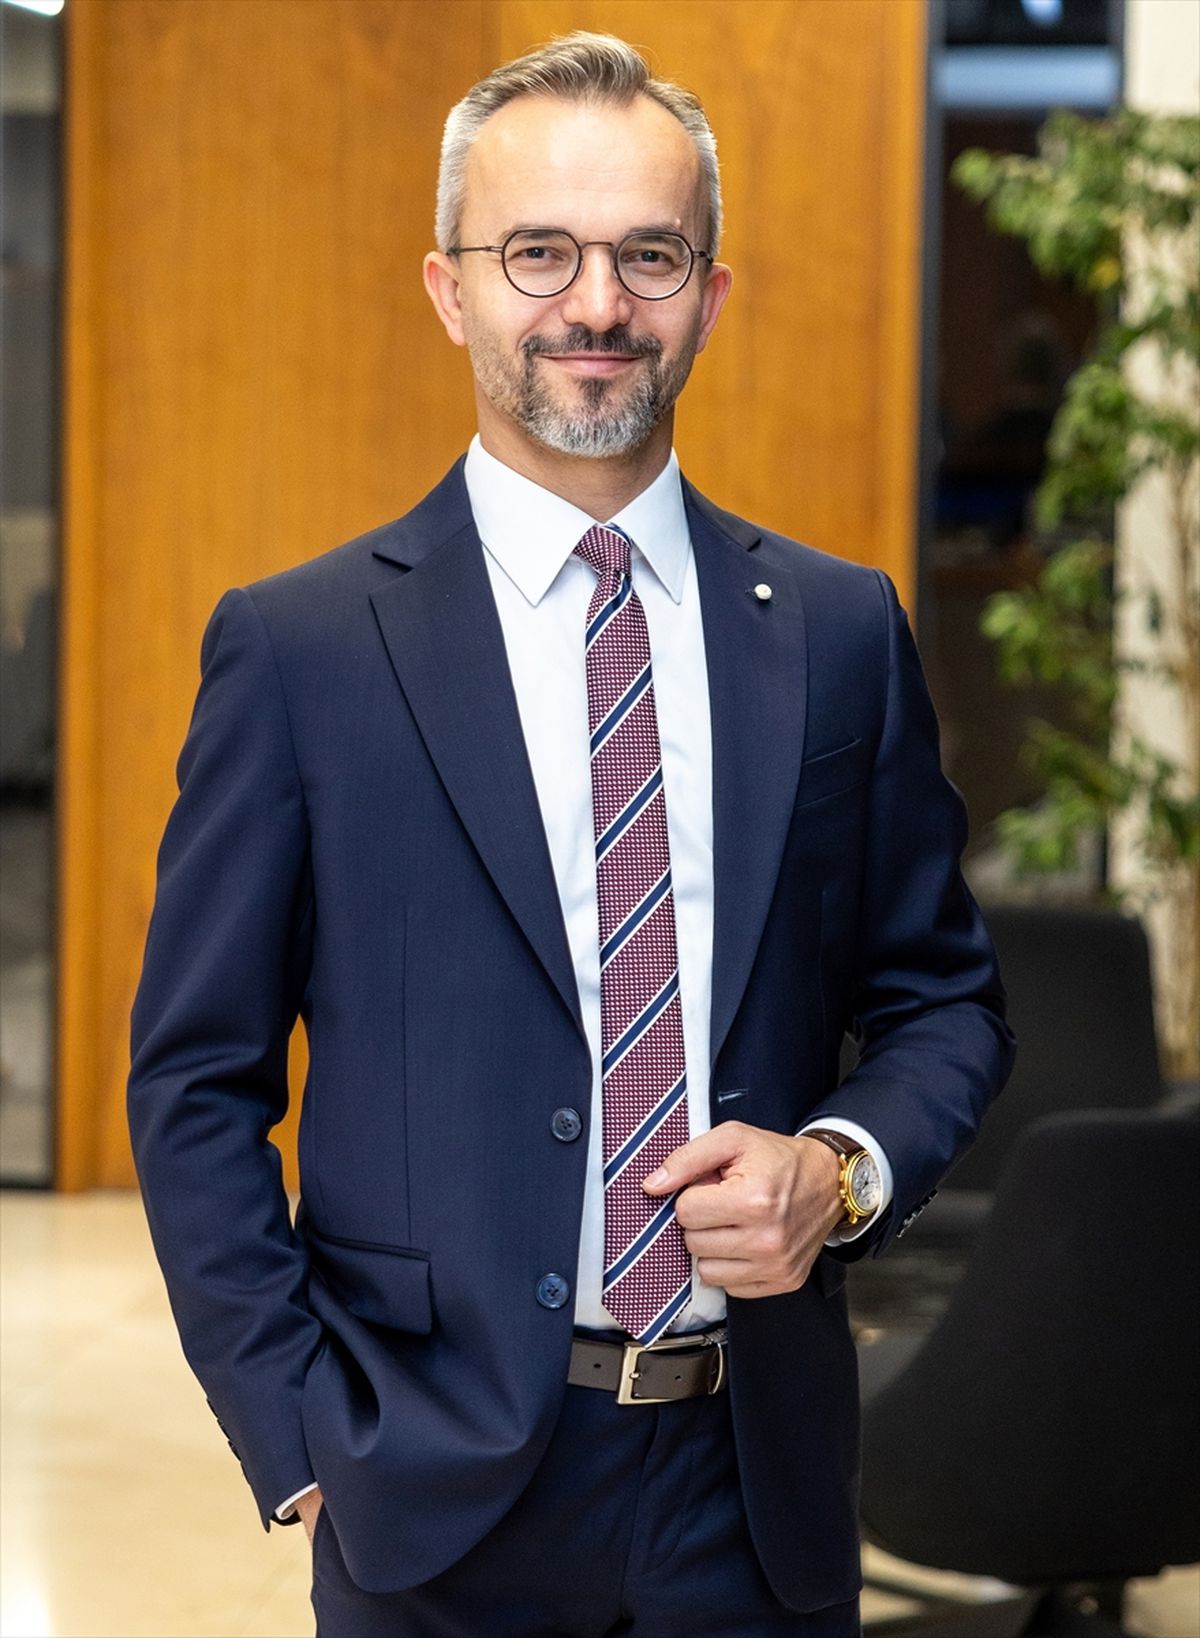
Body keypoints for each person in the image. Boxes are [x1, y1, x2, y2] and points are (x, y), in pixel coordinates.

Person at [128, 32, 1014, 1637]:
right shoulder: (303, 651)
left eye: (648, 256)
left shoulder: (836, 632)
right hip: (432, 1498)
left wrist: (840, 1169)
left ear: (710, 295)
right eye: (537, 251)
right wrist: (298, 1430)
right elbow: (196, 1080)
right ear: (450, 288)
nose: (596, 305)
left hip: (756, 1493)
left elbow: (945, 1002)